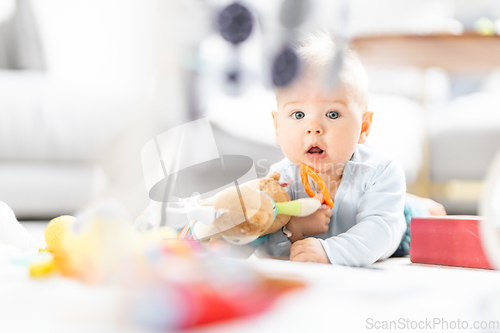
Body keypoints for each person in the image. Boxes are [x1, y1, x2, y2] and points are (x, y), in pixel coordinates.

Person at [255, 31, 445, 266]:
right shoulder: (279, 180)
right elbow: (262, 239)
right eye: (298, 114)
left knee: (418, 220)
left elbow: (380, 233)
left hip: (397, 226)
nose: (313, 128)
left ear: (363, 127)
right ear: (276, 127)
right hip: (372, 206)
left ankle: (419, 206)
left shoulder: (381, 170)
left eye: (332, 114)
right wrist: (294, 229)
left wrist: (329, 251)